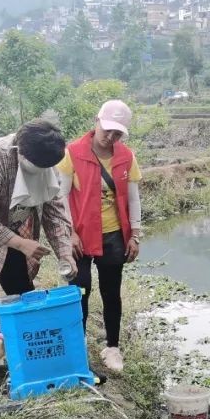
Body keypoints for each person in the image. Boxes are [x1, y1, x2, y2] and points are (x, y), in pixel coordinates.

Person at [0, 119, 77, 373]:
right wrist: (20, 243)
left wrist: (65, 254)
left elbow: (55, 212)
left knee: (23, 291)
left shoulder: (48, 159)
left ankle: (34, 356)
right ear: (20, 153)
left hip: (11, 225)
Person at [58, 100, 143, 373]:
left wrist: (136, 234)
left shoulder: (126, 156)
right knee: (79, 289)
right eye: (107, 130)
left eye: (117, 133)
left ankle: (112, 347)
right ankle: (78, 344)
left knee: (111, 291)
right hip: (80, 236)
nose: (110, 137)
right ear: (97, 121)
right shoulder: (72, 152)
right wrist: (68, 233)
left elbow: (133, 198)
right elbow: (61, 197)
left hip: (113, 236)